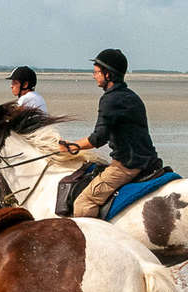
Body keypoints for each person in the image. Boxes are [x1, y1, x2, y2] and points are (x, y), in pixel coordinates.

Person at [60, 48, 159, 219]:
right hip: (147, 160)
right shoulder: (130, 96)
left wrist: (72, 147)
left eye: (96, 72)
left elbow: (98, 138)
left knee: (84, 203)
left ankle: (92, 244)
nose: (94, 76)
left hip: (126, 166)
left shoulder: (110, 99)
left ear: (108, 75)